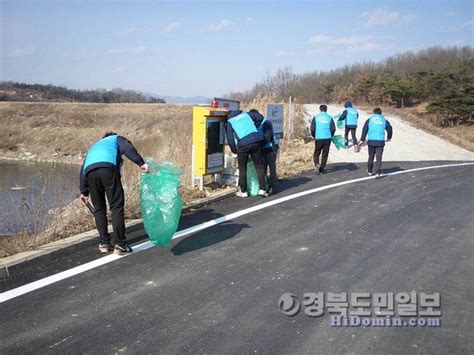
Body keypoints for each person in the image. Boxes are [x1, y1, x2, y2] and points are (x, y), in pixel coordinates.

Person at [79, 132, 149, 255]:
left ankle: (104, 243)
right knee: (116, 207)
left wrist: (84, 191)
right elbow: (127, 148)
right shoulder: (116, 139)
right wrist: (141, 163)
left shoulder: (95, 146)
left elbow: (83, 168)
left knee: (99, 209)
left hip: (90, 173)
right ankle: (120, 244)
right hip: (107, 169)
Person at [226, 110, 268, 197]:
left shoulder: (230, 121)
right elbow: (260, 117)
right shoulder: (246, 115)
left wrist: (234, 150)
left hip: (243, 145)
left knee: (243, 169)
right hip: (256, 141)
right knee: (259, 166)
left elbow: (230, 138)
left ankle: (243, 191)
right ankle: (262, 190)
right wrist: (254, 128)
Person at [249, 109, 279, 194]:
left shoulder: (266, 122)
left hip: (270, 149)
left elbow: (267, 137)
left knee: (272, 169)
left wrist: (257, 142)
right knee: (263, 169)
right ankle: (266, 187)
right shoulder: (255, 124)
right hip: (262, 150)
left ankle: (272, 187)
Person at [359, 108, 393, 179]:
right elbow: (389, 128)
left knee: (371, 156)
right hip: (380, 141)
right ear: (381, 113)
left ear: (374, 112)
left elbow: (365, 129)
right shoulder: (384, 120)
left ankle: (370, 171)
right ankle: (377, 173)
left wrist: (362, 140)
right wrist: (389, 137)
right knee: (378, 158)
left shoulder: (370, 119)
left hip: (371, 141)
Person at [310, 105, 336, 175]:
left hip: (318, 138)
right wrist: (331, 135)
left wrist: (314, 135)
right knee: (325, 154)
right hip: (327, 138)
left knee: (316, 153)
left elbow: (312, 128)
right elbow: (333, 129)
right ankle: (321, 169)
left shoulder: (316, 117)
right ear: (326, 110)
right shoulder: (330, 118)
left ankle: (316, 164)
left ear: (320, 110)